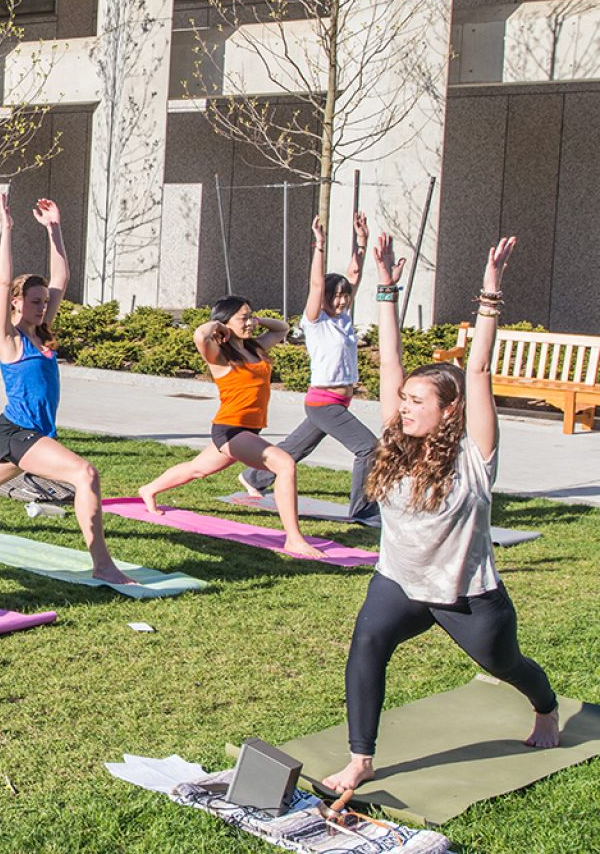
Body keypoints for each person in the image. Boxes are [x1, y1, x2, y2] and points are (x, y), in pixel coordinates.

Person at [321, 232, 560, 795]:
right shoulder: (395, 442)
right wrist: (384, 286)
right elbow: (389, 359)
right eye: (402, 401)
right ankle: (361, 759)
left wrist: (490, 291)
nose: (403, 408)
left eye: (416, 403)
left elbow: (477, 372)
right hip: (399, 581)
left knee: (507, 665)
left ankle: (545, 706)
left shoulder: (475, 456)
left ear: (449, 411)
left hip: (467, 594)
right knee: (367, 645)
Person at [0, 197, 134, 584]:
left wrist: (54, 230)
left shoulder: (39, 333)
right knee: (85, 474)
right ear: (17, 303)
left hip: (22, 432)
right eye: (34, 302)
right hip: (20, 433)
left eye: (44, 303)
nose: (42, 307)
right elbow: (3, 283)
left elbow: (62, 280)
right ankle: (103, 564)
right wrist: (7, 230)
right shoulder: (8, 337)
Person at [135, 296, 324, 558]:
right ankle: (293, 538)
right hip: (231, 430)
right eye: (243, 318)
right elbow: (200, 334)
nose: (250, 323)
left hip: (248, 430)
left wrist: (255, 320)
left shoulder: (255, 347)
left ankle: (148, 489)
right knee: (284, 464)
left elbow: (282, 329)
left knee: (197, 469)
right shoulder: (219, 355)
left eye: (251, 316)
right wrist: (217, 326)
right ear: (225, 322)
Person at [240, 214, 379, 523]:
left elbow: (354, 273)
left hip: (338, 401)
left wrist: (362, 242)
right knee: (369, 448)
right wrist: (320, 244)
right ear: (325, 298)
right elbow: (317, 283)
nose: (342, 301)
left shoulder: (343, 319)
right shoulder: (315, 321)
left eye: (346, 296)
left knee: (295, 449)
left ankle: (255, 477)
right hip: (324, 402)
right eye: (336, 296)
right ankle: (363, 510)